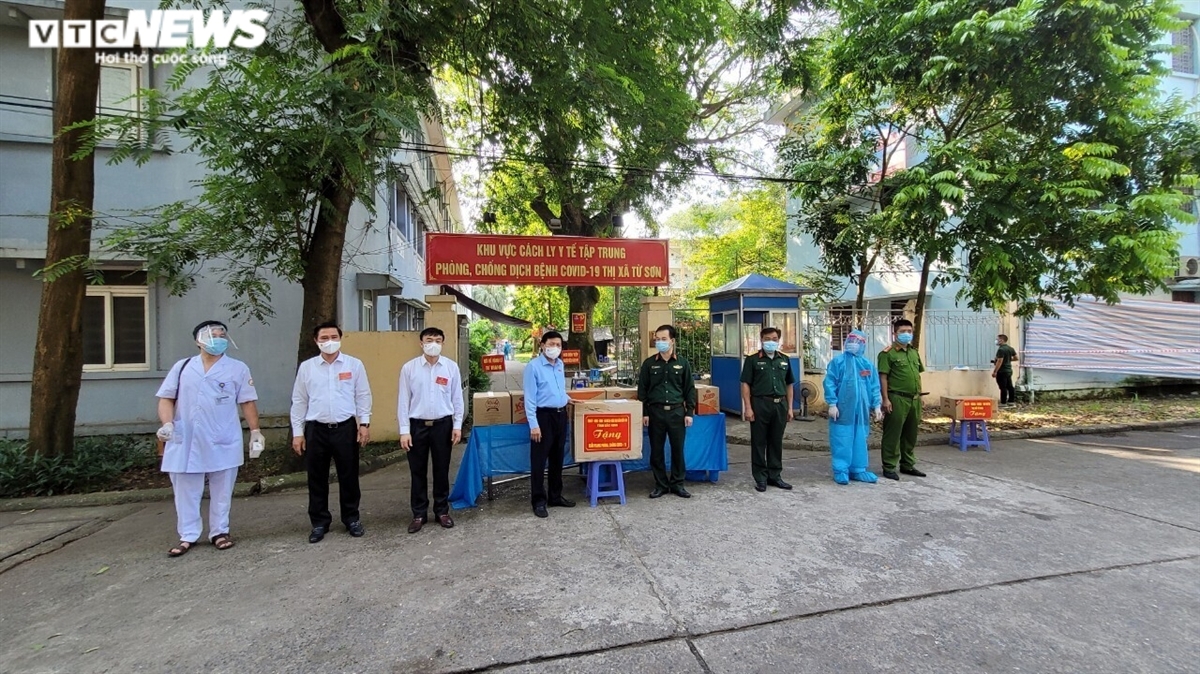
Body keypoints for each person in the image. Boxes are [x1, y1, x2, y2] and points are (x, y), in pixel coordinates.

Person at [156, 321, 261, 557]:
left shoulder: (237, 368)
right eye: (213, 335)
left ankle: (219, 532)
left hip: (222, 437)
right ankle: (188, 535)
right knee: (185, 489)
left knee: (222, 488)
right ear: (198, 340)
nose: (218, 338)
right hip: (185, 437)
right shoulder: (183, 367)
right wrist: (167, 424)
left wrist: (255, 432)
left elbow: (247, 401)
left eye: (222, 334)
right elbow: (166, 398)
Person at [291, 321, 372, 543]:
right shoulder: (307, 367)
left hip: (345, 428)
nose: (329, 342)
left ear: (340, 338)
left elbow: (363, 395)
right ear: (316, 341)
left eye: (333, 337)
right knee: (317, 477)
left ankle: (351, 519)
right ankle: (319, 522)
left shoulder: (354, 365)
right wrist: (298, 433)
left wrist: (364, 424)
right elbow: (299, 401)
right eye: (324, 338)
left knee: (349, 476)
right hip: (316, 429)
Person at [397, 327, 464, 533]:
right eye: (429, 340)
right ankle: (418, 514)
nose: (433, 343)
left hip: (442, 425)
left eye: (437, 340)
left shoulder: (451, 368)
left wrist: (457, 425)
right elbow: (403, 401)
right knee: (417, 472)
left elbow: (457, 399)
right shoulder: (409, 368)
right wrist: (404, 430)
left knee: (441, 470)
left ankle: (442, 511)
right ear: (421, 343)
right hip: (417, 426)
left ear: (442, 343)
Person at [637, 325, 697, 499]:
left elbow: (689, 390)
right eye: (657, 339)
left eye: (664, 339)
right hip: (655, 413)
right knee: (656, 451)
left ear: (672, 341)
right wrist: (645, 413)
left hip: (677, 413)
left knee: (677, 450)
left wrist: (689, 413)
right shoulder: (649, 364)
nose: (660, 342)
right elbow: (643, 390)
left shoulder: (682, 363)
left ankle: (678, 484)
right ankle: (661, 485)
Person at [523, 330, 574, 518]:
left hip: (561, 416)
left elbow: (557, 389)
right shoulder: (533, 367)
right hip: (543, 417)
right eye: (551, 344)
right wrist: (533, 425)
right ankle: (538, 501)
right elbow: (530, 398)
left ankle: (555, 495)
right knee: (539, 460)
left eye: (558, 345)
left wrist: (567, 398)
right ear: (542, 345)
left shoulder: (560, 364)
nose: (555, 348)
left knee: (557, 458)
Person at [823, 330, 883, 485]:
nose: (852, 344)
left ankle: (858, 469)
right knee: (842, 438)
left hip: (862, 411)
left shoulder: (867, 364)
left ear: (863, 344)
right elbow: (830, 383)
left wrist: (877, 405)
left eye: (857, 341)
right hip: (842, 410)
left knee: (860, 438)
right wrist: (832, 403)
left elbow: (875, 386)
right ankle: (841, 469)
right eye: (850, 340)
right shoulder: (838, 362)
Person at [740, 326, 796, 492]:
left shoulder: (784, 359)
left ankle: (775, 475)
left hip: (780, 404)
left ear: (778, 340)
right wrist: (748, 408)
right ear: (761, 340)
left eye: (774, 339)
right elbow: (745, 385)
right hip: (760, 404)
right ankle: (760, 477)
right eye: (767, 339)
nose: (770, 342)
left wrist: (790, 408)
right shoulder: (752, 360)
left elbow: (789, 385)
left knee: (776, 442)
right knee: (759, 442)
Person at [878, 318, 927, 480]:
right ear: (894, 333)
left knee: (910, 433)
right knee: (893, 433)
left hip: (914, 399)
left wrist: (919, 395)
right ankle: (889, 466)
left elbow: (917, 375)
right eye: (902, 332)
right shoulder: (887, 354)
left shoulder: (913, 352)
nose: (906, 334)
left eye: (909, 331)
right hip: (896, 398)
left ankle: (907, 464)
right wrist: (885, 399)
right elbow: (883, 377)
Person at [992, 334, 1019, 407]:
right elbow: (1016, 358)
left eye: (997, 339)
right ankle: (1011, 401)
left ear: (1002, 340)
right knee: (1009, 386)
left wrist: (995, 371)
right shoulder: (1010, 348)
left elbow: (999, 361)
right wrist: (1008, 360)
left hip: (1002, 371)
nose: (996, 341)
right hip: (1009, 370)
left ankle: (1003, 403)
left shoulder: (1001, 349)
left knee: (1003, 387)